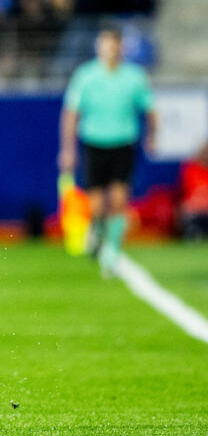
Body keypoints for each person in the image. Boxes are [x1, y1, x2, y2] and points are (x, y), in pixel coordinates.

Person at [59, 27, 156, 275]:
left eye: (114, 45)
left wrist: (152, 136)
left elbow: (150, 109)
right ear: (98, 47)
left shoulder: (134, 77)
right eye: (106, 45)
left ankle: (111, 252)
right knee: (96, 205)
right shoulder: (86, 76)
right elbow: (71, 113)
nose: (110, 50)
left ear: (121, 47)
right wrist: (67, 149)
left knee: (119, 200)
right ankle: (98, 232)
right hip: (94, 143)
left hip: (123, 143)